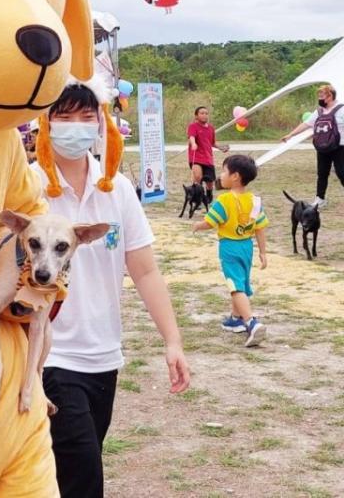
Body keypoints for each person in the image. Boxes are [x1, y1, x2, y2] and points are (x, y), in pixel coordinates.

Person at [32, 79, 191, 498]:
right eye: (63, 117)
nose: (76, 127)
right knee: (82, 469)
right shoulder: (28, 186)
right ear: (45, 123)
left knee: (71, 468)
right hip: (49, 355)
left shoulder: (115, 187)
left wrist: (172, 340)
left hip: (104, 356)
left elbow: (144, 271)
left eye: (87, 117)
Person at [193, 155, 269, 346]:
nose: (221, 175)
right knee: (241, 281)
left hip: (229, 247)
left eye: (224, 171)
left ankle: (251, 322)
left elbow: (211, 222)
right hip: (246, 247)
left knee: (234, 286)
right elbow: (260, 228)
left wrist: (197, 225)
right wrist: (263, 252)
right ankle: (235, 319)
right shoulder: (254, 201)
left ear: (235, 176)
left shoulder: (224, 200)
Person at [281, 84, 344, 207]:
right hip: (322, 146)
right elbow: (306, 124)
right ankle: (320, 199)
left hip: (340, 147)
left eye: (322, 96)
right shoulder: (319, 111)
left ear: (330, 96)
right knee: (322, 173)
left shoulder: (342, 109)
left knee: (342, 172)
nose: (320, 99)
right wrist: (290, 135)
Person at [187, 106, 229, 205]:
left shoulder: (211, 128)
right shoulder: (193, 126)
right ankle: (197, 199)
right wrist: (193, 143)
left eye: (206, 113)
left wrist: (221, 148)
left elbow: (212, 142)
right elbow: (191, 137)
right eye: (202, 113)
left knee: (210, 182)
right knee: (197, 177)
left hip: (208, 158)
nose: (204, 115)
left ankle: (209, 195)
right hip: (196, 157)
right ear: (196, 116)